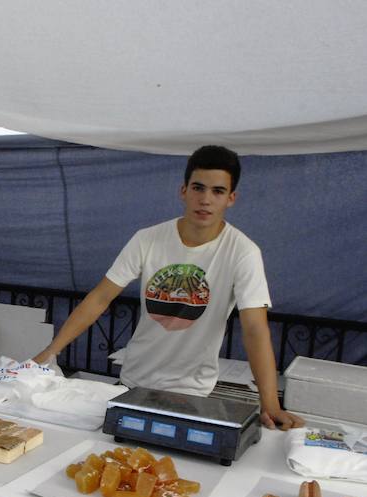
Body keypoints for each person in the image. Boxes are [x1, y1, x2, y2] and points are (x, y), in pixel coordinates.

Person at [34, 145, 304, 431]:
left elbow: (254, 328)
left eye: (217, 191)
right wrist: (49, 353)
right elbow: (100, 298)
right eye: (198, 188)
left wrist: (270, 404)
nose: (205, 200)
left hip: (193, 393)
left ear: (231, 198)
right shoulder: (147, 239)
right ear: (183, 190)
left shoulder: (242, 252)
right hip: (133, 382)